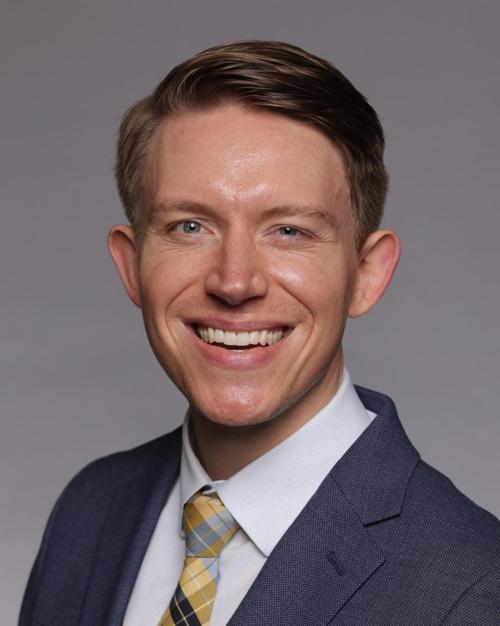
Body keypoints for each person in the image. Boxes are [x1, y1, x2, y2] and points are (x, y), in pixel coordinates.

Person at [20, 40, 500, 626]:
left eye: (290, 231)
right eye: (190, 226)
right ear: (131, 265)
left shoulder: (476, 586)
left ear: (366, 275)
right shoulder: (88, 513)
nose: (234, 281)